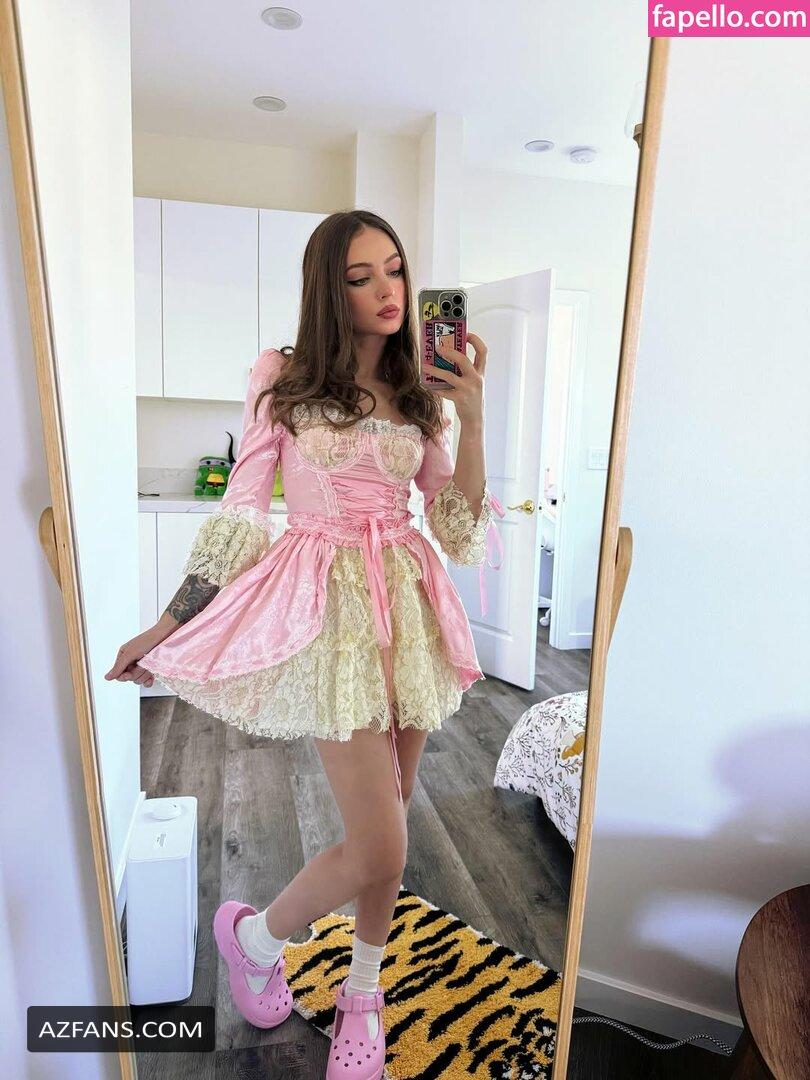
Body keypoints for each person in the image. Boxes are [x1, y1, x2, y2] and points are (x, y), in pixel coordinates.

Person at [105, 209, 504, 1077]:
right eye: (361, 277)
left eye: (394, 269)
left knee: (390, 821)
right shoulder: (282, 378)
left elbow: (458, 529)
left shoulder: (421, 392)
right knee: (383, 842)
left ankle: (362, 993)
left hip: (409, 610)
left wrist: (472, 420)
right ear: (330, 289)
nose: (388, 290)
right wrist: (168, 623)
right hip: (330, 616)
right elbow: (244, 512)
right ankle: (255, 938)